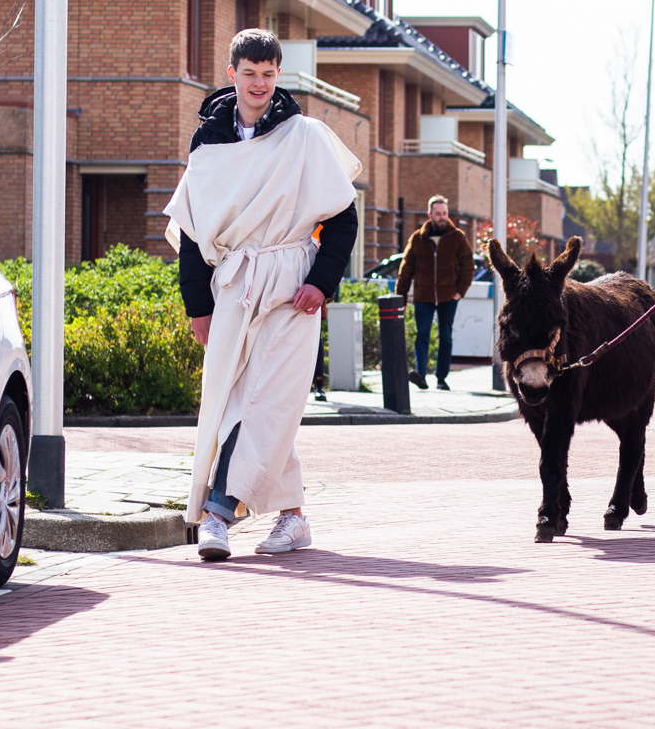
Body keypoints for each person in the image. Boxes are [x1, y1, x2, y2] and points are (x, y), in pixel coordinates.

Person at [168, 29, 361, 561]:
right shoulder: (207, 141)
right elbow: (191, 226)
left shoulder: (305, 136)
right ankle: (293, 516)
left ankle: (217, 515)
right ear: (232, 74)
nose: (259, 83)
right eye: (249, 73)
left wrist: (321, 282)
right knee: (243, 400)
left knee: (267, 398)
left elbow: (343, 220)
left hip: (291, 282)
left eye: (269, 74)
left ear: (279, 76)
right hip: (232, 283)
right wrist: (198, 305)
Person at [395, 195, 475, 390]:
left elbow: (468, 267)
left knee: (445, 336)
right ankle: (420, 374)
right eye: (438, 214)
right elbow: (405, 271)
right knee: (422, 334)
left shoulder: (457, 238)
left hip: (449, 295)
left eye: (445, 213)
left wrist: (459, 292)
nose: (442, 217)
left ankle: (441, 379)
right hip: (423, 295)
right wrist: (401, 299)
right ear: (429, 215)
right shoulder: (417, 239)